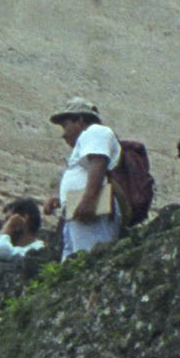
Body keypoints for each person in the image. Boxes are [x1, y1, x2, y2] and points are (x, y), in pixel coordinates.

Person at [49, 97, 120, 257]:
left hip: (90, 212)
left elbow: (98, 162)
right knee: (74, 264)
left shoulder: (96, 131)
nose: (64, 134)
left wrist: (89, 199)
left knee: (88, 259)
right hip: (78, 213)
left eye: (65, 125)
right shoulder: (88, 139)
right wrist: (61, 201)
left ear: (80, 121)